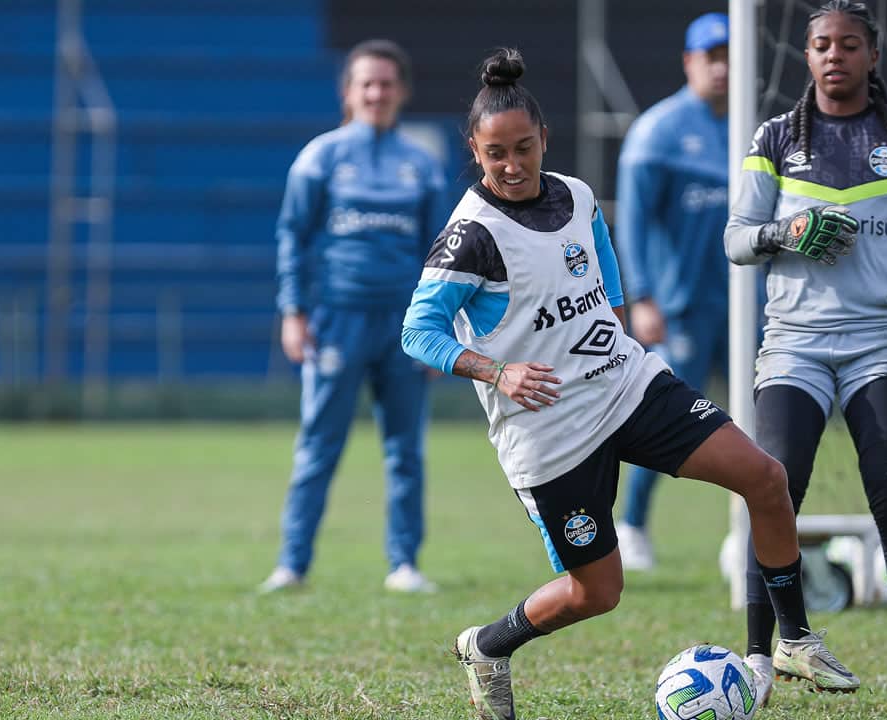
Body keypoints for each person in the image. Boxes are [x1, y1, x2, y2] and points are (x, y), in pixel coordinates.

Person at [401, 48, 837, 720]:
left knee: (766, 478)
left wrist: (616, 334)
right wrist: (497, 369)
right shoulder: (471, 237)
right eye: (495, 155)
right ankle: (489, 645)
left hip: (629, 388)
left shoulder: (575, 195)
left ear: (544, 138)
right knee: (598, 592)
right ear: (474, 151)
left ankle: (796, 638)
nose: (512, 166)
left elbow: (604, 279)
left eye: (523, 148)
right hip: (550, 436)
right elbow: (417, 331)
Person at [724, 1, 887, 714]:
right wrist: (787, 231)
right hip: (794, 347)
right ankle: (757, 664)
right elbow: (736, 240)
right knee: (772, 490)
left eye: (848, 44)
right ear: (805, 56)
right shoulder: (775, 138)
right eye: (820, 45)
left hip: (878, 345)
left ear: (873, 55)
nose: (833, 55)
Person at [260, 39, 451, 595]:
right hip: (336, 319)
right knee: (318, 446)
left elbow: (444, 253)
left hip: (405, 325)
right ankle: (292, 565)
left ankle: (404, 565)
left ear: (403, 92)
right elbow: (291, 236)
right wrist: (293, 311)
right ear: (348, 91)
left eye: (387, 83)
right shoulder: (320, 157)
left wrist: (442, 329)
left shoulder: (423, 164)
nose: (376, 93)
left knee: (406, 450)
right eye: (366, 83)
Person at [613, 12, 732, 572]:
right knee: (668, 419)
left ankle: (755, 529)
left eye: (732, 55)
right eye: (713, 56)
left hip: (749, 305)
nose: (724, 67)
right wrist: (642, 297)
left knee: (766, 417)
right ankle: (632, 524)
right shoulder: (658, 131)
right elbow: (632, 223)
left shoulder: (756, 130)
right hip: (681, 308)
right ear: (690, 62)